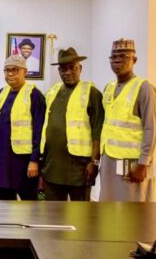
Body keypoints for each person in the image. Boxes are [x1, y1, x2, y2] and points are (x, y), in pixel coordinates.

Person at [40, 48, 104, 201]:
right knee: (53, 216)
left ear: (80, 68)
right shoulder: (52, 92)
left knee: (80, 217)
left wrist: (94, 163)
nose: (67, 72)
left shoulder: (92, 93)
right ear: (59, 70)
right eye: (63, 68)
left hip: (79, 170)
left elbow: (98, 131)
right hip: (52, 168)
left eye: (72, 68)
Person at [99, 38, 156, 202]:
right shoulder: (109, 88)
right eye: (114, 57)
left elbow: (151, 128)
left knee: (132, 209)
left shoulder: (144, 88)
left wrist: (143, 163)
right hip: (109, 159)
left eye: (123, 56)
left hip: (132, 162)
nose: (117, 60)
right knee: (108, 205)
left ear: (134, 60)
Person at [0, 55, 46, 200]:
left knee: (29, 204)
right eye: (7, 70)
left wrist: (35, 161)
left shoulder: (35, 96)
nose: (10, 74)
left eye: (15, 70)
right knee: (3, 204)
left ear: (25, 71)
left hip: (24, 162)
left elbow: (39, 131)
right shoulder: (0, 94)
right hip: (4, 161)